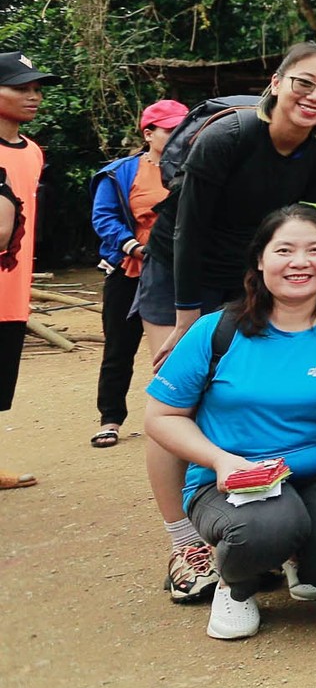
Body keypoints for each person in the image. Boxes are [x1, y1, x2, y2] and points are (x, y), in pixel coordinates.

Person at [140, 41, 316, 603]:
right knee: (176, 395)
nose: (315, 97)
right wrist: (187, 322)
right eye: (304, 82)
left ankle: (284, 528)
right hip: (180, 268)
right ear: (277, 82)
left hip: (257, 271)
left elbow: (305, 227)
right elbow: (188, 230)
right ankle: (185, 541)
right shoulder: (229, 137)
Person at [143, 205, 316, 640]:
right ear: (260, 259)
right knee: (269, 527)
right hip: (236, 476)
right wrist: (219, 460)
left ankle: (303, 561)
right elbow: (161, 416)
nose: (300, 262)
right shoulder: (216, 331)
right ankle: (235, 587)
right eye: (285, 250)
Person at [90, 98, 188, 449]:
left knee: (183, 348)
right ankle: (110, 419)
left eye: (185, 129)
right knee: (119, 346)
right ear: (148, 133)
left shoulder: (197, 169)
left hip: (180, 271)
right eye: (171, 130)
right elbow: (104, 217)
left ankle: (180, 418)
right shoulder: (119, 172)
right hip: (131, 269)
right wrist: (132, 246)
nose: (181, 136)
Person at [0, 49, 56, 489]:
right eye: (20, 88)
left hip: (12, 291)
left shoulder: (33, 152)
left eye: (36, 89)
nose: (32, 96)